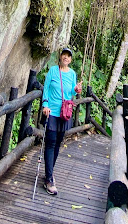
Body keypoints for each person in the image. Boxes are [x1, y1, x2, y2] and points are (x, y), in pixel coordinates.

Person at [41, 47, 82, 195]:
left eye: (68, 56)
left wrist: (76, 89)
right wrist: (45, 105)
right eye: (64, 55)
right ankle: (49, 178)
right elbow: (46, 89)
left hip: (65, 112)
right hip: (52, 111)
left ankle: (49, 173)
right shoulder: (52, 71)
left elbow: (71, 92)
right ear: (60, 57)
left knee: (58, 142)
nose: (66, 57)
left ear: (71, 59)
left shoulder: (72, 74)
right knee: (51, 142)